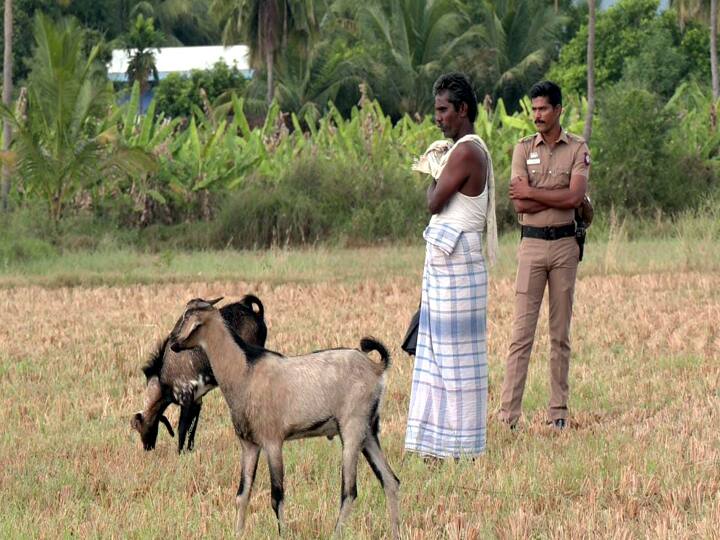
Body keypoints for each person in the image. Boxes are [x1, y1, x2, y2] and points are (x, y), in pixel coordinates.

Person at [404, 72, 498, 459]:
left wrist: (433, 171)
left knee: (453, 361)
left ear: (462, 109)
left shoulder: (466, 151)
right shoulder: (463, 149)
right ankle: (442, 444)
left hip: (457, 263)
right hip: (454, 263)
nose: (438, 117)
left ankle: (459, 445)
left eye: (444, 110)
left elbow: (433, 202)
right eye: (437, 110)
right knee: (442, 356)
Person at [499, 80, 590, 430]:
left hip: (566, 246)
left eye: (543, 109)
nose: (537, 115)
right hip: (531, 246)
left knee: (559, 334)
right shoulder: (522, 149)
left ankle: (558, 414)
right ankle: (508, 417)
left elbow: (574, 199)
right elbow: (518, 202)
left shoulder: (577, 148)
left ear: (558, 111)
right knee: (521, 335)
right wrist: (556, 193)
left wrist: (536, 192)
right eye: (534, 109)